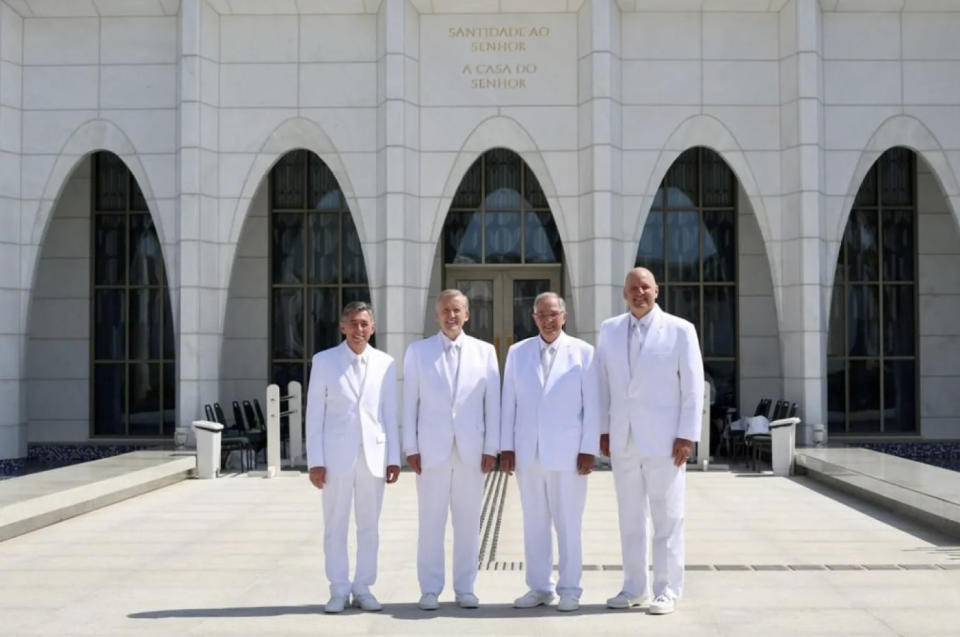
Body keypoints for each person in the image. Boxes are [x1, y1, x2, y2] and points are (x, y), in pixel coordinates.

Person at [596, 268, 704, 615]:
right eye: (632, 288)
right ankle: (633, 587)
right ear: (624, 293)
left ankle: (668, 590)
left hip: (665, 441)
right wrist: (602, 430)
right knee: (630, 518)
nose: (639, 293)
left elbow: (692, 386)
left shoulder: (680, 330)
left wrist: (687, 434)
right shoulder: (609, 330)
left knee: (668, 518)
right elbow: (602, 386)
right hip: (622, 439)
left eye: (645, 287)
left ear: (656, 290)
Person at [500, 292, 599, 612]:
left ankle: (570, 588)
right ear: (534, 318)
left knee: (569, 523)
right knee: (534, 523)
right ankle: (540, 586)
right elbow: (508, 403)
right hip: (529, 454)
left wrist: (588, 448)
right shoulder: (518, 352)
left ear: (564, 316)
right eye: (542, 315)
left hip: (569, 455)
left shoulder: (584, 353)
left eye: (554, 314)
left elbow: (593, 405)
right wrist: (507, 446)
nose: (548, 320)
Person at [402, 289, 500, 610]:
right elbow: (409, 404)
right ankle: (430, 589)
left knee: (469, 523)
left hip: (472, 451)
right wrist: (411, 447)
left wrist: (492, 447)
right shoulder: (418, 352)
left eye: (457, 309)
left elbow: (493, 405)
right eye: (445, 310)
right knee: (431, 522)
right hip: (431, 452)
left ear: (467, 314)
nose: (451, 315)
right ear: (437, 315)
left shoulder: (485, 352)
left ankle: (465, 587)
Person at [305, 301, 400, 614]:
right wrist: (315, 460)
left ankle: (363, 587)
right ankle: (338, 588)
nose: (359, 330)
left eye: (364, 324)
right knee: (335, 524)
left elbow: (389, 413)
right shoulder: (324, 361)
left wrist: (393, 458)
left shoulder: (385, 363)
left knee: (369, 526)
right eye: (353, 324)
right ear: (342, 327)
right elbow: (314, 414)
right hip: (335, 457)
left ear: (372, 328)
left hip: (373, 455)